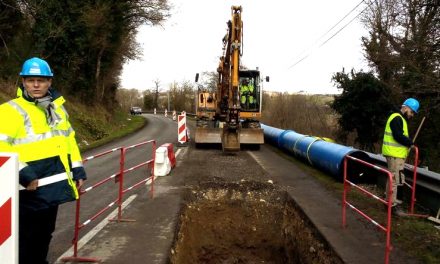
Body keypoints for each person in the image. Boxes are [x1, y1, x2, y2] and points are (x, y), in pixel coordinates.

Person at [0, 57, 87, 264]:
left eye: (41, 80)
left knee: (45, 234)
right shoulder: (10, 110)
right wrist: (24, 174)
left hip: (52, 187)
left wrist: (77, 170)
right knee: (26, 239)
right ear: (23, 82)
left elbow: (69, 140)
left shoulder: (57, 109)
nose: (36, 85)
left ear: (50, 82)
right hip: (27, 190)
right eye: (31, 80)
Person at [382, 98, 420, 216]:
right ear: (406, 107)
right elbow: (398, 136)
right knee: (394, 180)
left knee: (393, 178)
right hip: (394, 155)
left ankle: (389, 202)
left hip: (395, 154)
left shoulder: (398, 118)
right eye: (412, 112)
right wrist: (411, 143)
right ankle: (392, 207)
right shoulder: (397, 118)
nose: (412, 115)